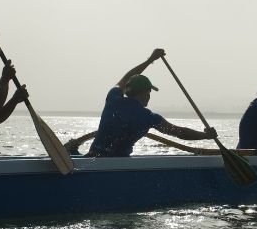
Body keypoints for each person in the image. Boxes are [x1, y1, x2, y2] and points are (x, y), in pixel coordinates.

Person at [87, 48, 217, 157]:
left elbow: (127, 77)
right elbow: (179, 132)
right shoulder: (149, 118)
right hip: (120, 163)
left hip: (92, 157)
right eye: (149, 92)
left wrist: (150, 60)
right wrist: (205, 135)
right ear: (145, 93)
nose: (149, 97)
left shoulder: (113, 98)